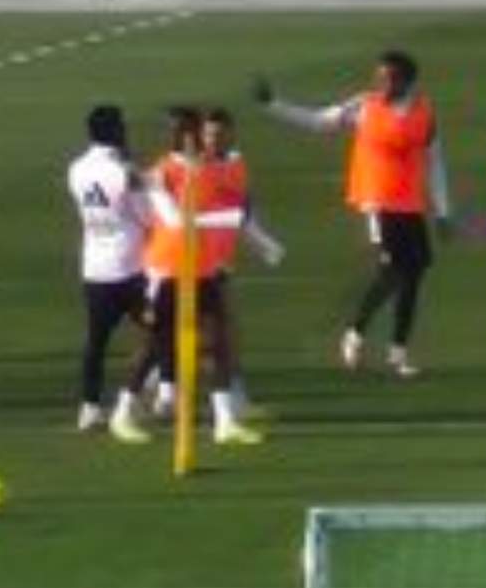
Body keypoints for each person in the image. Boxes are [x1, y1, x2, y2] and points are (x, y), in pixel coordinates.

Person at [255, 51, 452, 378]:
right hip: (377, 201)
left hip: (410, 204)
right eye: (379, 77)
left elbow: (436, 163)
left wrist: (444, 211)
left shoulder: (424, 114)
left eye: (388, 78)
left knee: (414, 275)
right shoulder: (363, 106)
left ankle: (397, 353)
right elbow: (319, 121)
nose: (381, 83)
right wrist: (273, 104)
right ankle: (354, 334)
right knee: (392, 269)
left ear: (406, 81)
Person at [116, 108, 262, 447]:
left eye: (185, 129)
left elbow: (225, 200)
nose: (186, 136)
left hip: (202, 266)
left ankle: (224, 421)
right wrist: (230, 219)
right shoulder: (164, 171)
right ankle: (123, 412)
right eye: (179, 130)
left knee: (218, 341)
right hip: (167, 267)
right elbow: (177, 221)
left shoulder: (207, 167)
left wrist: (250, 231)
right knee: (155, 345)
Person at [67, 104, 151, 434]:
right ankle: (137, 396)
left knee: (96, 341)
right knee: (156, 332)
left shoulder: (76, 168)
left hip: (94, 266)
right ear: (117, 130)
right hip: (130, 266)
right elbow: (146, 216)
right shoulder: (123, 170)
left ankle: (88, 407)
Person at [201, 108, 286, 417]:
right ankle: (229, 404)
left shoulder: (236, 167)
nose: (213, 140)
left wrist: (264, 245)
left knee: (224, 334)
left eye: (219, 134)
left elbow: (243, 214)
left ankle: (234, 399)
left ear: (231, 135)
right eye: (208, 134)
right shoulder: (194, 169)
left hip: (220, 262)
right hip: (193, 264)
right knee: (217, 335)